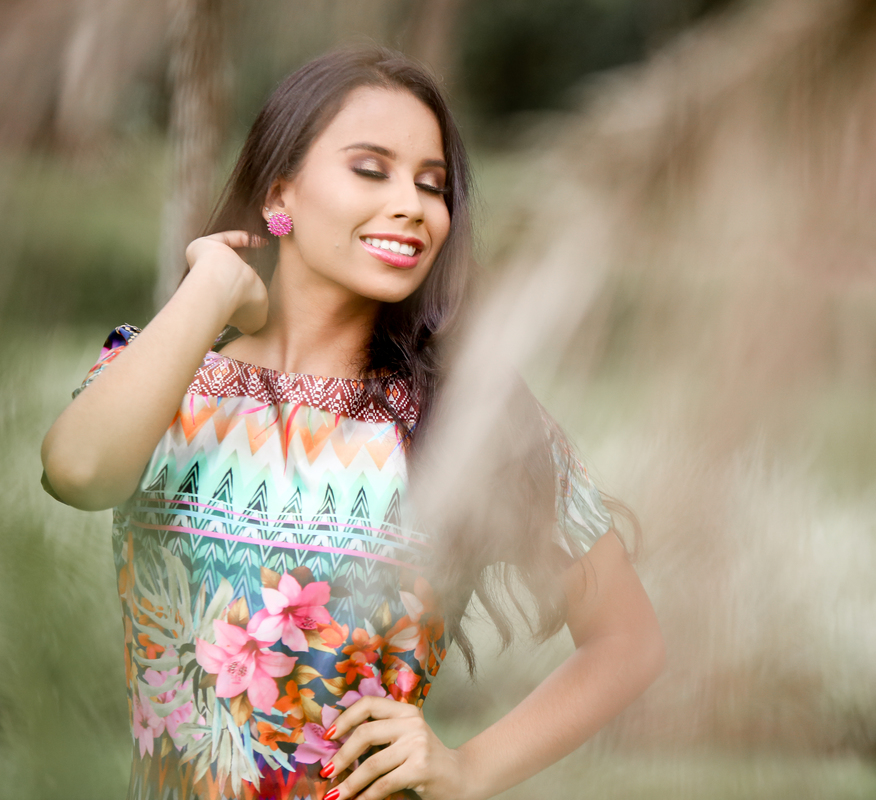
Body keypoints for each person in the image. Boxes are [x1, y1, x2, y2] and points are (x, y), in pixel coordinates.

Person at [39, 45, 664, 800]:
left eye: (432, 184)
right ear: (280, 191)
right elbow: (76, 471)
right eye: (371, 169)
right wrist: (213, 284)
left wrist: (469, 767)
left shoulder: (468, 414)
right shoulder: (167, 377)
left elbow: (627, 640)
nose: (413, 205)